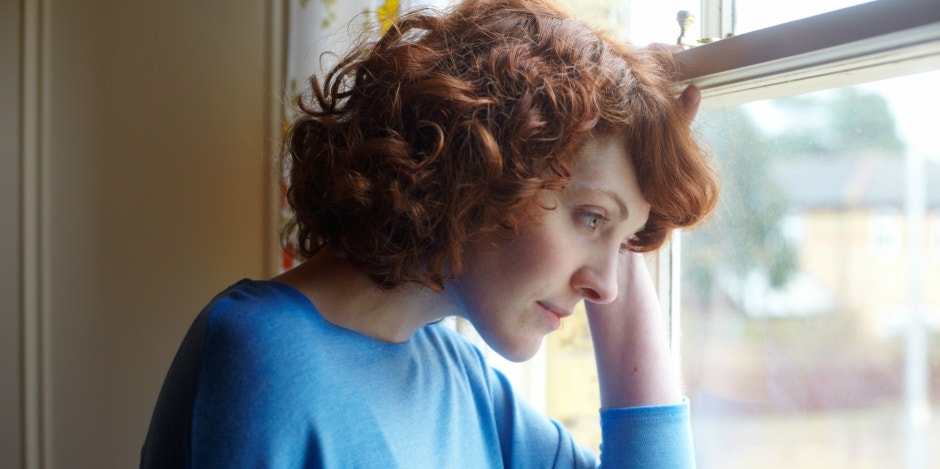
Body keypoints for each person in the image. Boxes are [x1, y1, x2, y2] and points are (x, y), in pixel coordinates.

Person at [140, 0, 719, 467]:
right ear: (482, 160)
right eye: (590, 218)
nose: (606, 286)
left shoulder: (461, 378)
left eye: (622, 244)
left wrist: (634, 186)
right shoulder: (263, 354)